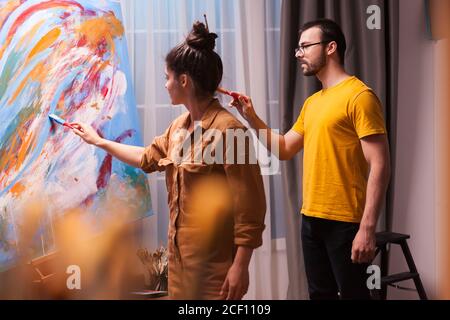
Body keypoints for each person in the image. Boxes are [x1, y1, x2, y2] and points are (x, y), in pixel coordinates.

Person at [71, 21, 266, 300]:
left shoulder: (229, 131)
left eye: (167, 77)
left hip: (214, 274)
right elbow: (147, 157)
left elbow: (250, 206)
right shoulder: (178, 128)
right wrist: (99, 141)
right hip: (178, 270)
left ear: (184, 81)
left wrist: (241, 266)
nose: (165, 84)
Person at [229, 18, 390, 299]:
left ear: (331, 47)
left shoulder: (359, 96)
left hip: (346, 222)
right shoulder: (313, 103)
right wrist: (250, 116)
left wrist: (367, 228)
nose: (298, 53)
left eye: (305, 46)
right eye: (298, 47)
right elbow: (284, 149)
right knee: (319, 295)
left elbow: (380, 164)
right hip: (311, 218)